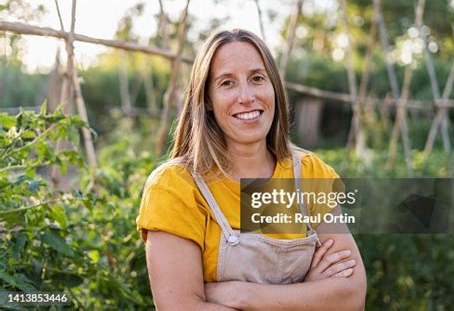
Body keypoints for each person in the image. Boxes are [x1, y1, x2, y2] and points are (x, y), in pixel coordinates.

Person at [136, 29, 366, 310]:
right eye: (227, 83)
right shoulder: (177, 187)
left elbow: (351, 296)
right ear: (206, 99)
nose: (246, 97)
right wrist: (311, 294)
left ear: (274, 88)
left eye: (257, 79)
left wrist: (240, 295)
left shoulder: (309, 174)